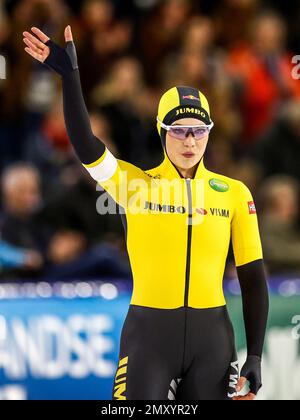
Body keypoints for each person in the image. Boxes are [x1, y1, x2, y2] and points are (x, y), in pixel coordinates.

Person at [22, 25, 269, 400]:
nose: (190, 141)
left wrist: (254, 355)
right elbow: (87, 147)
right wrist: (70, 79)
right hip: (148, 340)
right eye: (179, 130)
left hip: (213, 342)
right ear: (161, 130)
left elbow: (252, 278)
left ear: (209, 132)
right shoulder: (134, 185)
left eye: (199, 130)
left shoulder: (234, 193)